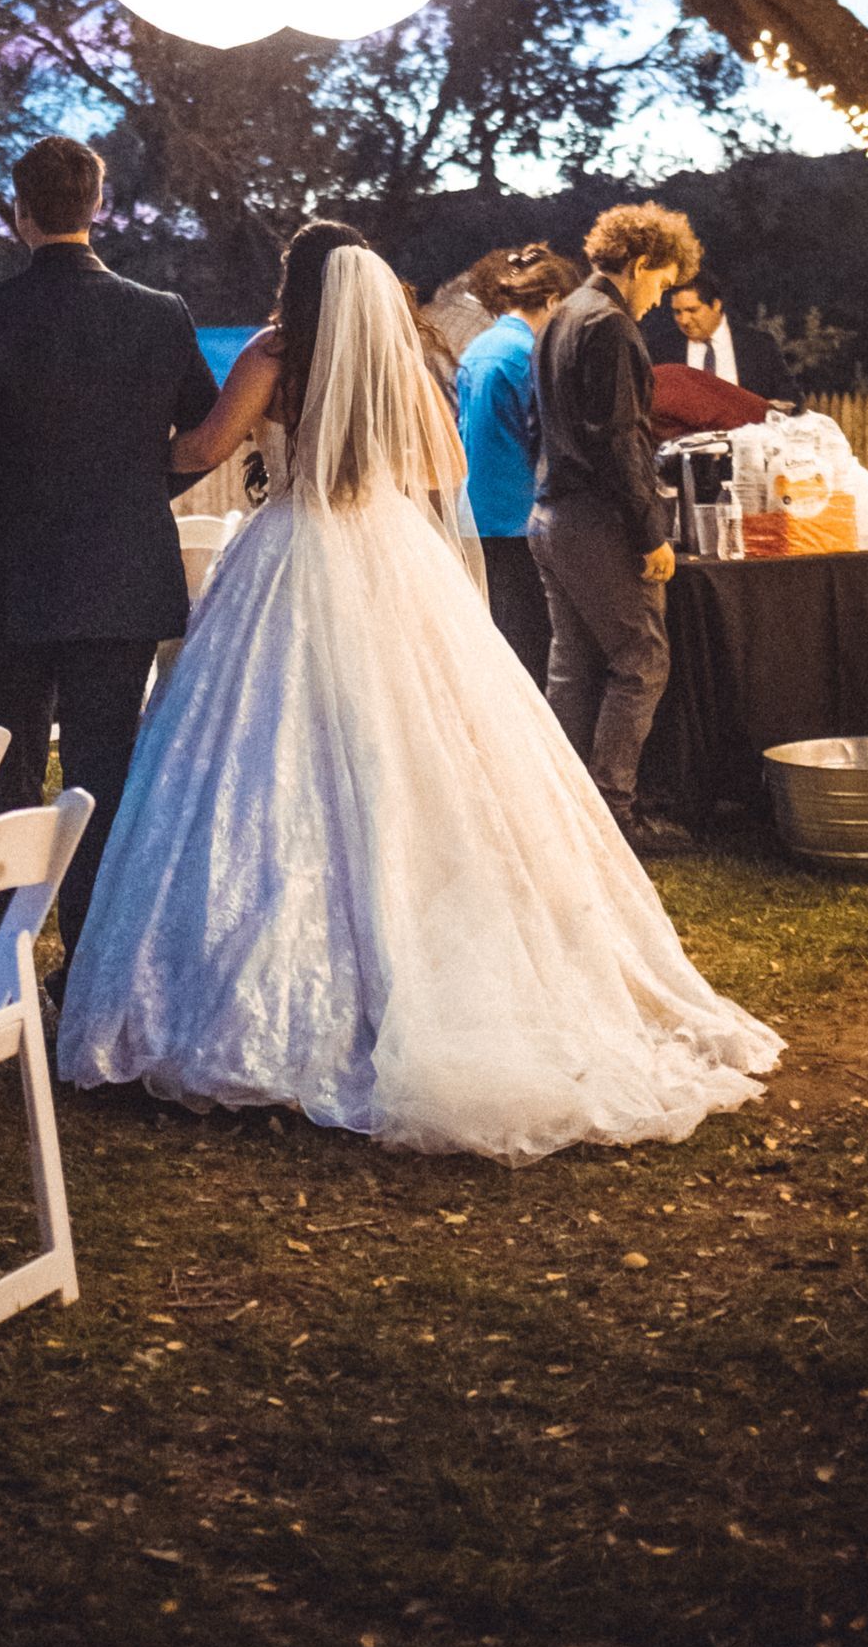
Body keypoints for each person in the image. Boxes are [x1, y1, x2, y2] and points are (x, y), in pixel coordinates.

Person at [60, 224, 780, 1161]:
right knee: (416, 748)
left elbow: (200, 448)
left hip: (291, 555)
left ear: (298, 284)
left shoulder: (274, 354)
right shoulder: (399, 359)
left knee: (260, 758)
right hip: (390, 556)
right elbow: (445, 470)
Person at [0, 135, 219, 973]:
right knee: (102, 773)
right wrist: (134, 496)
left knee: (5, 769)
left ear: (19, 210)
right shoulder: (161, 312)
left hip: (12, 574)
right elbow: (203, 435)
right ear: (99, 204)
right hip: (123, 573)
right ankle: (91, 962)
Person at [529, 202, 702, 853]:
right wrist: (650, 532)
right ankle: (613, 820)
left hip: (550, 514)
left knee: (574, 667)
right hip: (597, 520)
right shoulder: (611, 326)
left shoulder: (559, 318)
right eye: (661, 283)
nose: (661, 300)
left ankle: (562, 814)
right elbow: (622, 441)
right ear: (638, 263)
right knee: (642, 662)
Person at [455, 241, 581, 687]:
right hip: (516, 518)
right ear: (551, 301)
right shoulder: (526, 352)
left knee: (501, 643)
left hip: (478, 515)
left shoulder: (478, 348)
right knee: (530, 652)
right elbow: (546, 438)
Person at [648, 266, 794, 403]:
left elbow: (790, 400)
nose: (684, 320)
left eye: (692, 310)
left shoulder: (759, 346)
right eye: (677, 312)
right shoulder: (661, 351)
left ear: (716, 305)